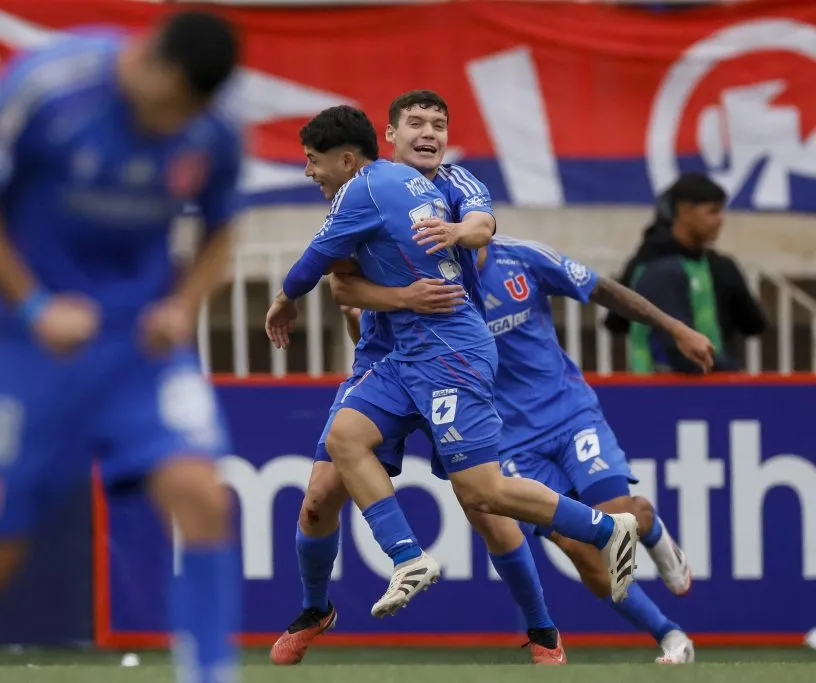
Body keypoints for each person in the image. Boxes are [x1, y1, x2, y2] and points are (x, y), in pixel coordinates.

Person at [0, 13, 242, 683]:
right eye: (171, 104)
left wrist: (182, 306)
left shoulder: (210, 131)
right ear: (153, 63)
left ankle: (212, 673)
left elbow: (221, 230)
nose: (172, 124)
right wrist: (37, 304)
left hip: (134, 348)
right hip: (25, 347)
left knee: (202, 494)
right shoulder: (49, 87)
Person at [264, 104, 639, 642]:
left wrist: (282, 300)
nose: (307, 171)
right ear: (390, 135)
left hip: (448, 350)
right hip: (395, 357)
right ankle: (404, 560)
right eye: (418, 124)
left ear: (346, 160)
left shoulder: (370, 190)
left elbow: (309, 268)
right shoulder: (388, 187)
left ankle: (600, 537)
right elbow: (341, 285)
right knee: (343, 442)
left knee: (484, 494)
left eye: (311, 161)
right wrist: (403, 294)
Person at [333, 236, 713, 664]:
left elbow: (601, 288)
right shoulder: (426, 281)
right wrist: (356, 318)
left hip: (569, 415)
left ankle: (652, 529)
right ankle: (670, 635)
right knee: (580, 551)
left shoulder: (521, 258)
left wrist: (676, 328)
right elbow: (383, 348)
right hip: (507, 440)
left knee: (619, 511)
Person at [604, 173, 765, 373]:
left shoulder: (721, 267)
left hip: (716, 382)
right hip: (664, 386)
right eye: (712, 212)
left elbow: (753, 323)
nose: (721, 220)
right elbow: (617, 321)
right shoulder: (654, 267)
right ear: (685, 210)